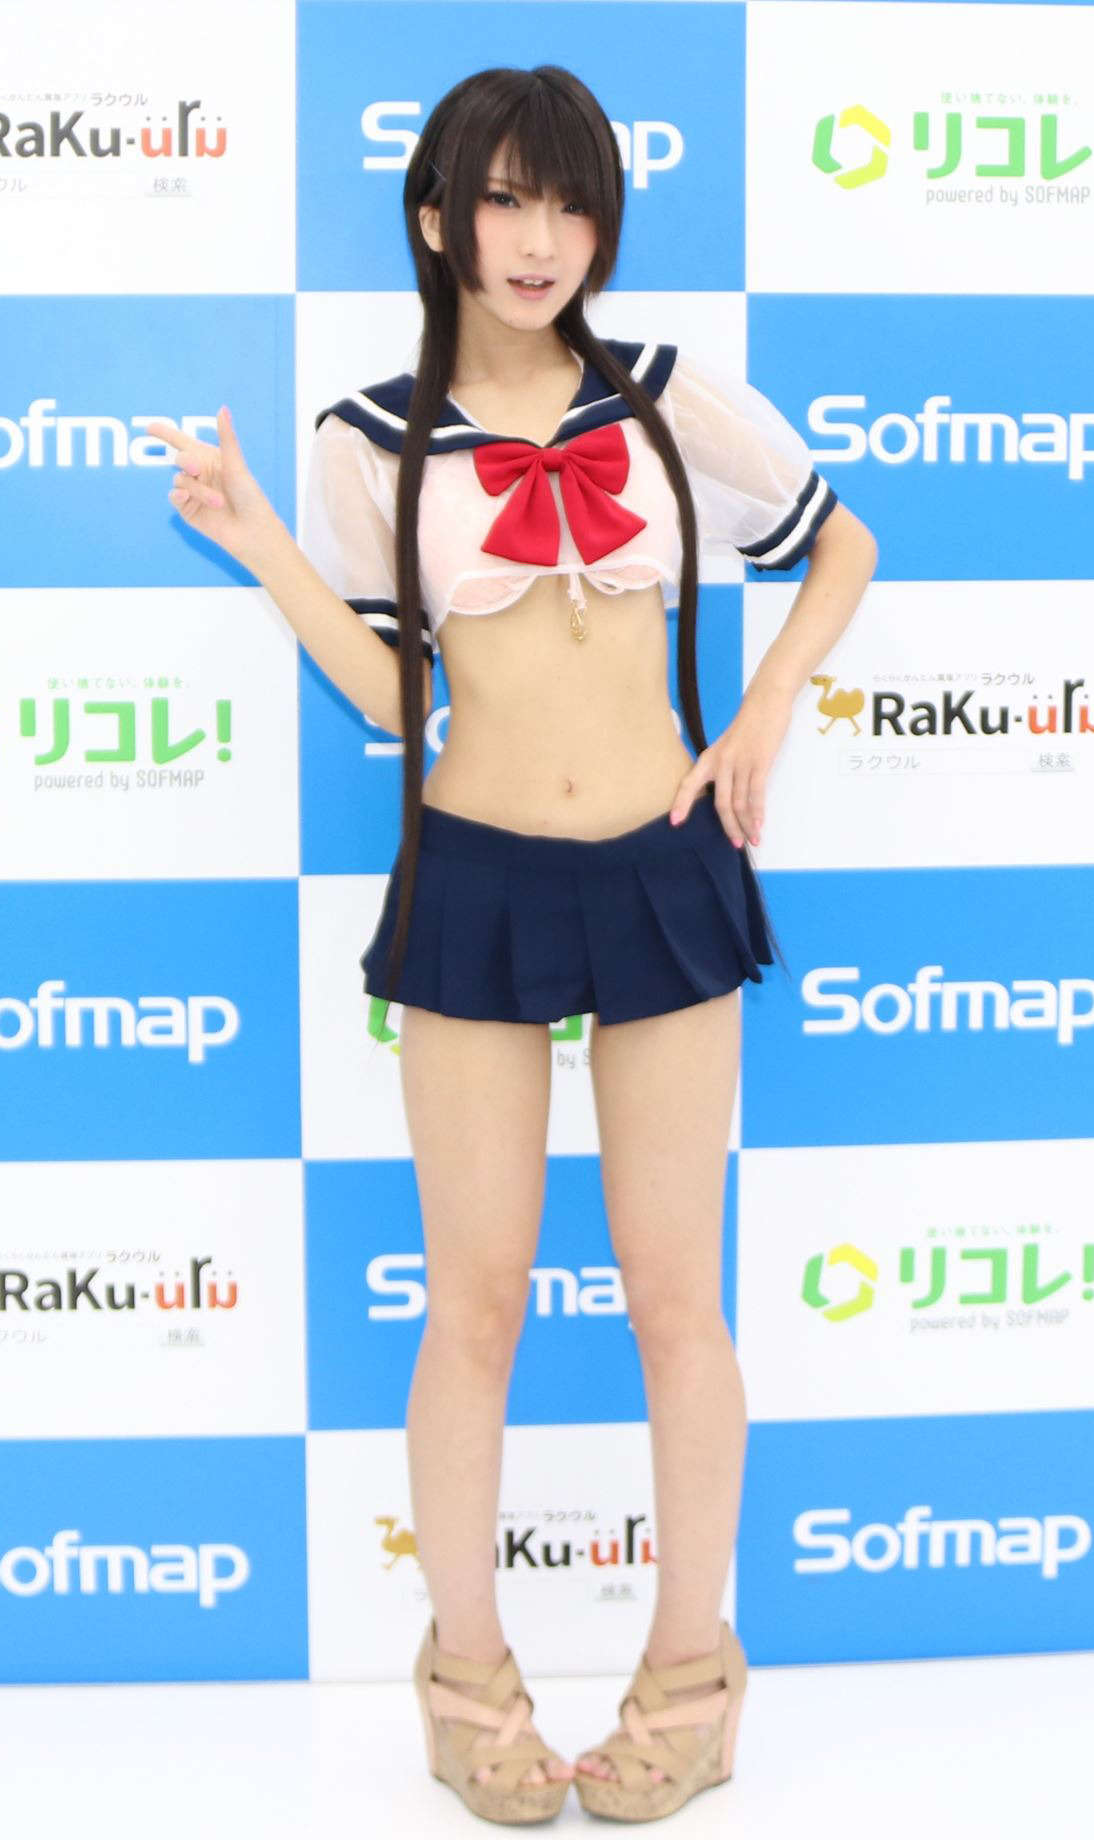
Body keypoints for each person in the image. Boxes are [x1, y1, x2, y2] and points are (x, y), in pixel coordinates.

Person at [150, 61, 878, 1829]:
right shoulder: (366, 437)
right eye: (501, 200)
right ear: (435, 218)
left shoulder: (667, 398)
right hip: (472, 871)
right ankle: (466, 1677)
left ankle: (690, 1676)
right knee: (471, 1301)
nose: (539, 239)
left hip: (663, 867)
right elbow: (391, 693)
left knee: (674, 1297)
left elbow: (841, 545)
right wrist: (258, 543)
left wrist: (765, 709)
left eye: (568, 204)